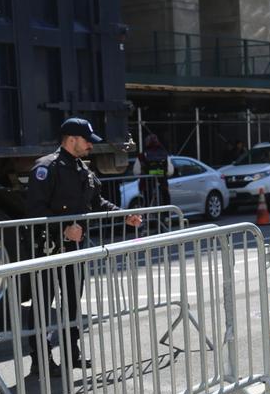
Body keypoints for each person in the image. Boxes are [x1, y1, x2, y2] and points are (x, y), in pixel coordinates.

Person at [26, 117, 142, 377]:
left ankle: (71, 353)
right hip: (47, 248)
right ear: (71, 139)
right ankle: (41, 360)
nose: (91, 145)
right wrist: (63, 228)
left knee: (72, 302)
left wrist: (123, 215)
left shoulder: (83, 171)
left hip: (74, 249)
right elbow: (35, 210)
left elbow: (97, 201)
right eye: (87, 140)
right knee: (43, 303)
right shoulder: (46, 168)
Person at [132, 134, 174, 206]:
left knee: (147, 204)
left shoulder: (142, 156)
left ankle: (147, 216)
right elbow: (170, 172)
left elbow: (136, 172)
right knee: (165, 201)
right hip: (162, 184)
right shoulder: (165, 154)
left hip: (146, 186)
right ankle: (166, 216)